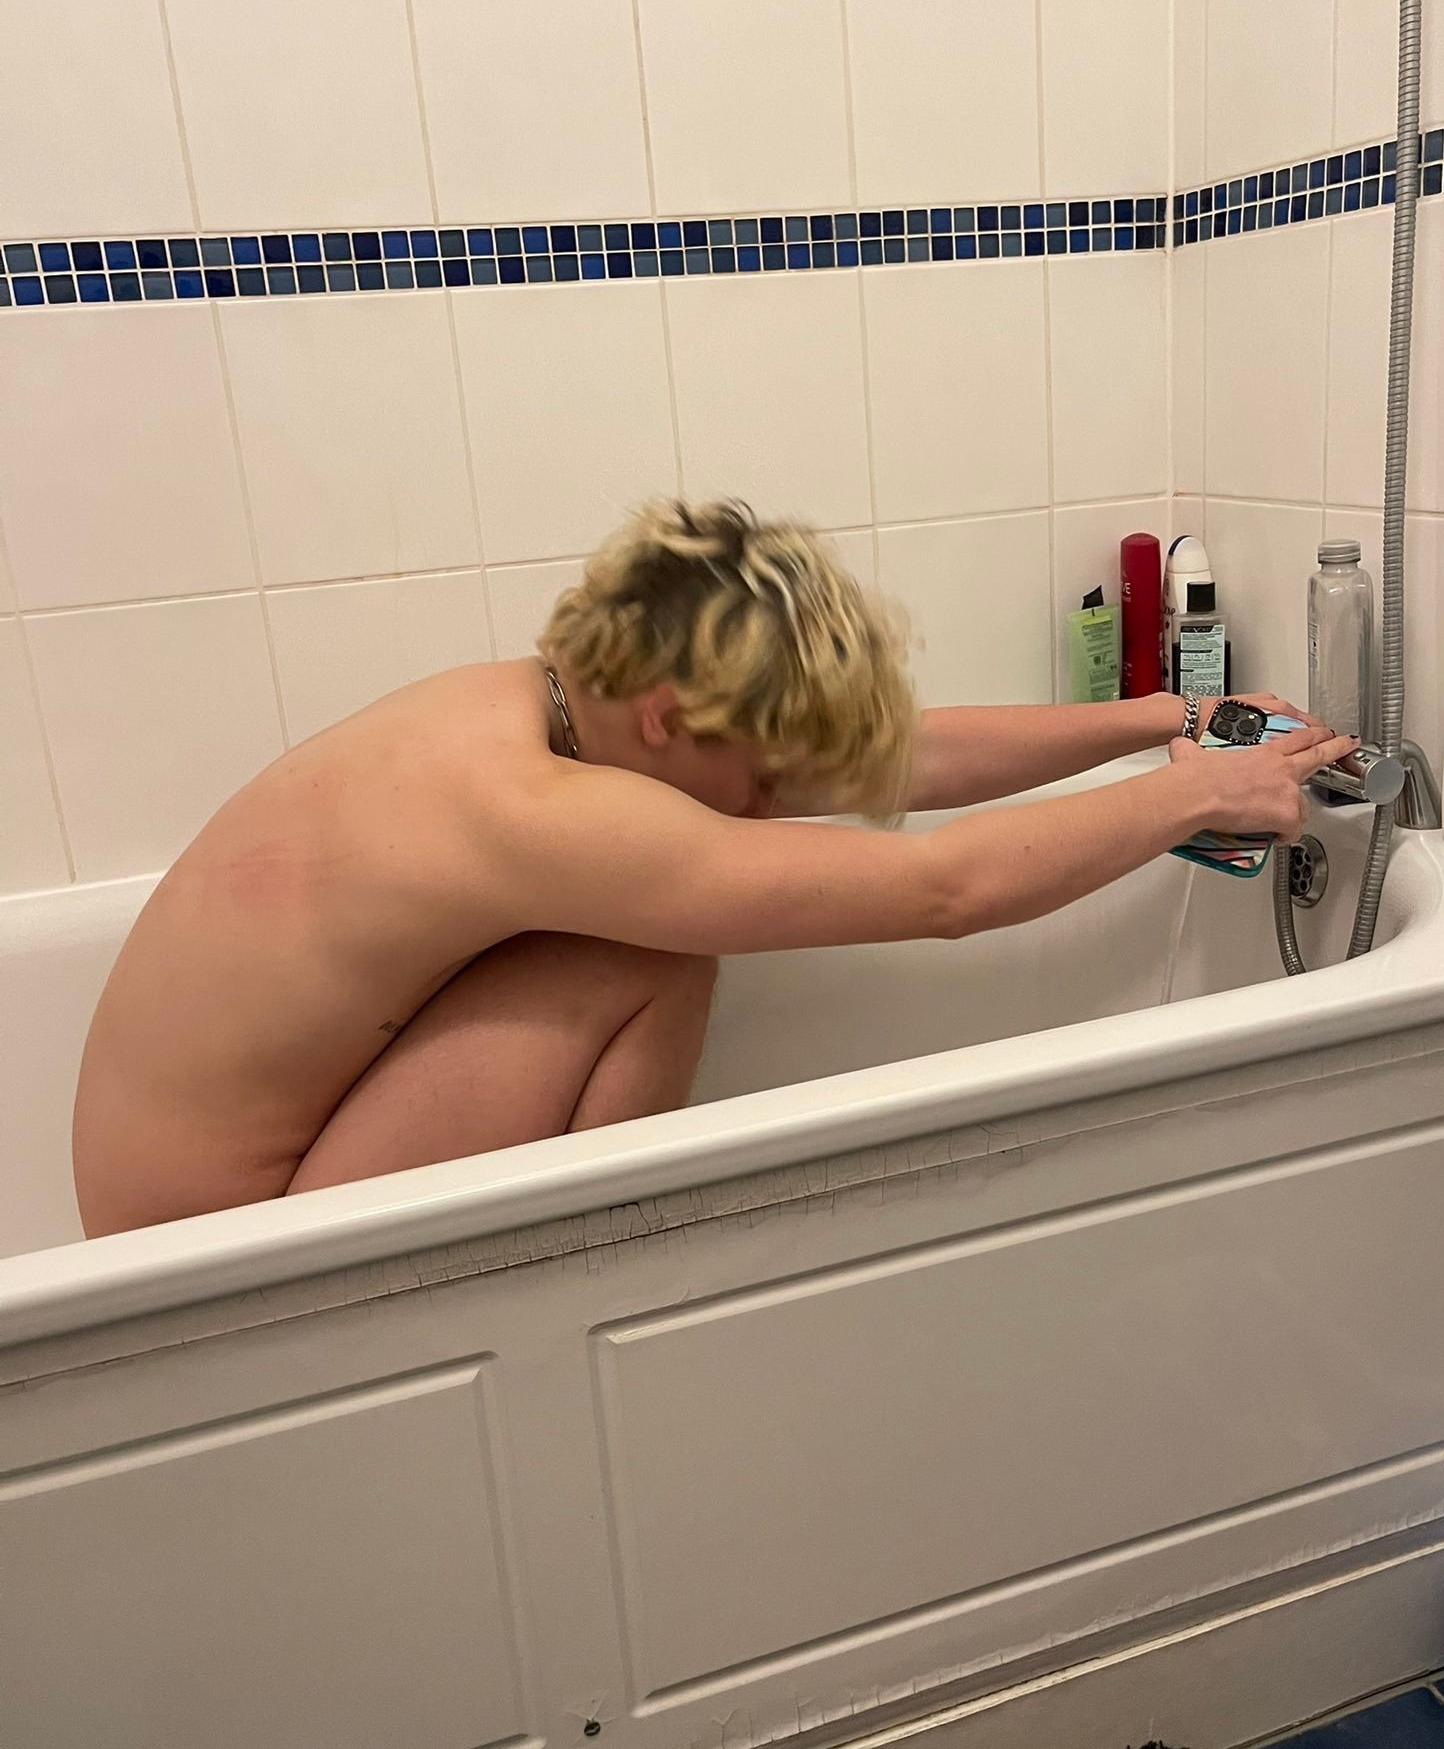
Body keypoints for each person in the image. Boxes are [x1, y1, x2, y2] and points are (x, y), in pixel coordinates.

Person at [72, 498, 1354, 1236]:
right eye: (760, 761)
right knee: (657, 942)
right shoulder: (531, 809)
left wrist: (1162, 719)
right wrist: (1199, 795)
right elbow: (944, 890)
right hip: (209, 1253)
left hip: (225, 1189)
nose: (777, 791)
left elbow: (881, 761)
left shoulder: (549, 709)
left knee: (675, 898)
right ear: (668, 720)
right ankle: (595, 1292)